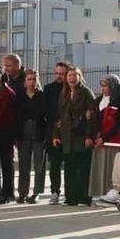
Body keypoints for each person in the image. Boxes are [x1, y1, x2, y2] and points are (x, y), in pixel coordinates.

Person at [54, 66, 96, 206]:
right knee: (69, 168)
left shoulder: (86, 93)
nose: (72, 78)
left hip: (81, 135)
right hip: (67, 136)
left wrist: (89, 136)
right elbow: (59, 117)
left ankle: (84, 197)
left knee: (82, 169)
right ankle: (70, 198)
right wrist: (56, 135)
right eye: (69, 75)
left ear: (79, 77)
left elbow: (92, 117)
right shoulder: (63, 93)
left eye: (74, 75)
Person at [16, 69, 48, 204]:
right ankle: (22, 192)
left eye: (34, 79)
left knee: (39, 164)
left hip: (39, 132)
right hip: (23, 133)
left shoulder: (41, 96)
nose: (32, 82)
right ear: (25, 81)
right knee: (24, 165)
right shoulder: (20, 96)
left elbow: (46, 115)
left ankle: (36, 192)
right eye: (29, 79)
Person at [43, 61, 69, 204]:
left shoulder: (72, 89)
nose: (59, 76)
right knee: (54, 165)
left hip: (69, 132)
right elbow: (45, 111)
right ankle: (54, 192)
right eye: (57, 73)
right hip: (52, 132)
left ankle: (69, 192)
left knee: (69, 164)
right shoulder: (49, 89)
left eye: (62, 74)